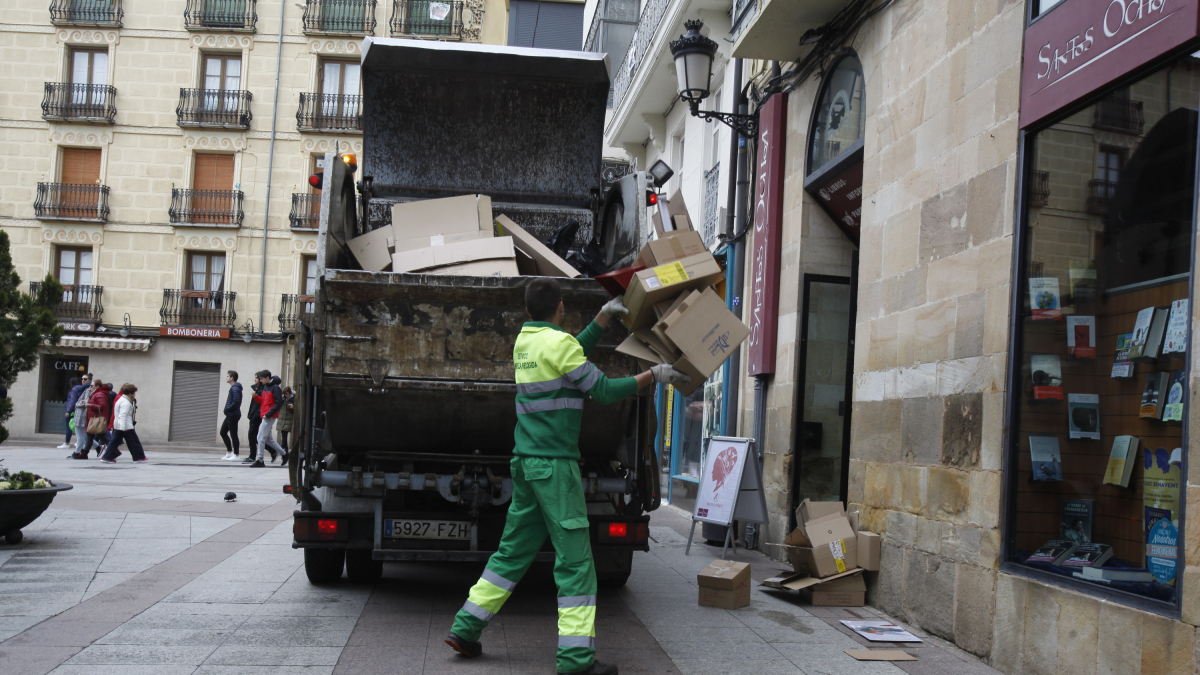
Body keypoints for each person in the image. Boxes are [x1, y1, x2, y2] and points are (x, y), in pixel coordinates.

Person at [445, 279, 689, 675]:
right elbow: (606, 391)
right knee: (576, 564)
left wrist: (602, 319)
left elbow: (569, 355)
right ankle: (576, 661)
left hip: (526, 464)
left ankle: (466, 628)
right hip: (555, 469)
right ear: (561, 307)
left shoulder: (527, 343)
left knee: (511, 554)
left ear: (528, 312)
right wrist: (653, 376)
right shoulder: (561, 346)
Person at [101, 384, 146, 464]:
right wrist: (122, 428)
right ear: (130, 393)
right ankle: (138, 457)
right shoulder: (125, 402)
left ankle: (107, 457)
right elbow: (123, 415)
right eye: (133, 393)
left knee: (114, 442)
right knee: (134, 441)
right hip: (125, 426)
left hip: (120, 425)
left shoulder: (121, 399)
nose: (134, 395)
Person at [251, 371, 287, 468]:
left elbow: (278, 403)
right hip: (266, 415)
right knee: (268, 439)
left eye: (262, 378)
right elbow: (263, 401)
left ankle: (260, 460)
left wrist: (268, 414)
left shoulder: (275, 388)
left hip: (269, 415)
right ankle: (284, 454)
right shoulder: (266, 386)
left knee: (260, 438)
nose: (260, 380)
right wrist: (256, 397)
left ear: (267, 377)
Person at [72, 378, 111, 459]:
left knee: (100, 436)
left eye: (92, 385)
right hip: (92, 417)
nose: (90, 387)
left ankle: (113, 449)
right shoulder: (92, 392)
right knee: (89, 436)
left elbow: (102, 406)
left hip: (95, 418)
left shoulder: (99, 394)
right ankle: (85, 453)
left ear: (97, 386)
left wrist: (89, 405)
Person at [69, 374, 97, 458]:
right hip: (79, 414)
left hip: (82, 415)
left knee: (81, 436)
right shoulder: (83, 389)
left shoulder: (89, 390)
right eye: (82, 379)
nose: (83, 381)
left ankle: (77, 452)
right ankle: (98, 446)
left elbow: (83, 403)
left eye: (85, 379)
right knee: (84, 435)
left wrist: (77, 405)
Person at [221, 371, 243, 461]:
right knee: (223, 432)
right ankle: (230, 452)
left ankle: (236, 455)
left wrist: (228, 408)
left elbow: (236, 401)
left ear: (232, 378)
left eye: (227, 376)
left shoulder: (235, 388)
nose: (226, 377)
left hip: (233, 414)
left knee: (233, 434)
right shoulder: (234, 388)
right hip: (231, 414)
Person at [243, 377, 263, 464]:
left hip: (256, 416)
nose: (254, 379)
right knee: (255, 437)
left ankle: (252, 456)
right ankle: (273, 451)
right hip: (253, 415)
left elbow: (261, 404)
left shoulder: (262, 390)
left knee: (253, 436)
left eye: (256, 378)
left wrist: (255, 414)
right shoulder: (257, 389)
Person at [60, 376, 82, 449]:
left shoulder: (73, 390)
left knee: (69, 426)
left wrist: (68, 411)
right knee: (78, 427)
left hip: (72, 411)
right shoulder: (81, 389)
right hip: (79, 410)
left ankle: (67, 443)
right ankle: (79, 441)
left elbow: (72, 401)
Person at [277, 386, 294, 451]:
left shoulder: (293, 399)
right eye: (284, 394)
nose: (285, 395)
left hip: (288, 419)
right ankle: (285, 449)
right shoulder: (283, 399)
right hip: (282, 419)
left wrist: (293, 407)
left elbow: (297, 411)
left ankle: (283, 448)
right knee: (283, 433)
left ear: (290, 393)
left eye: (286, 393)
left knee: (285, 434)